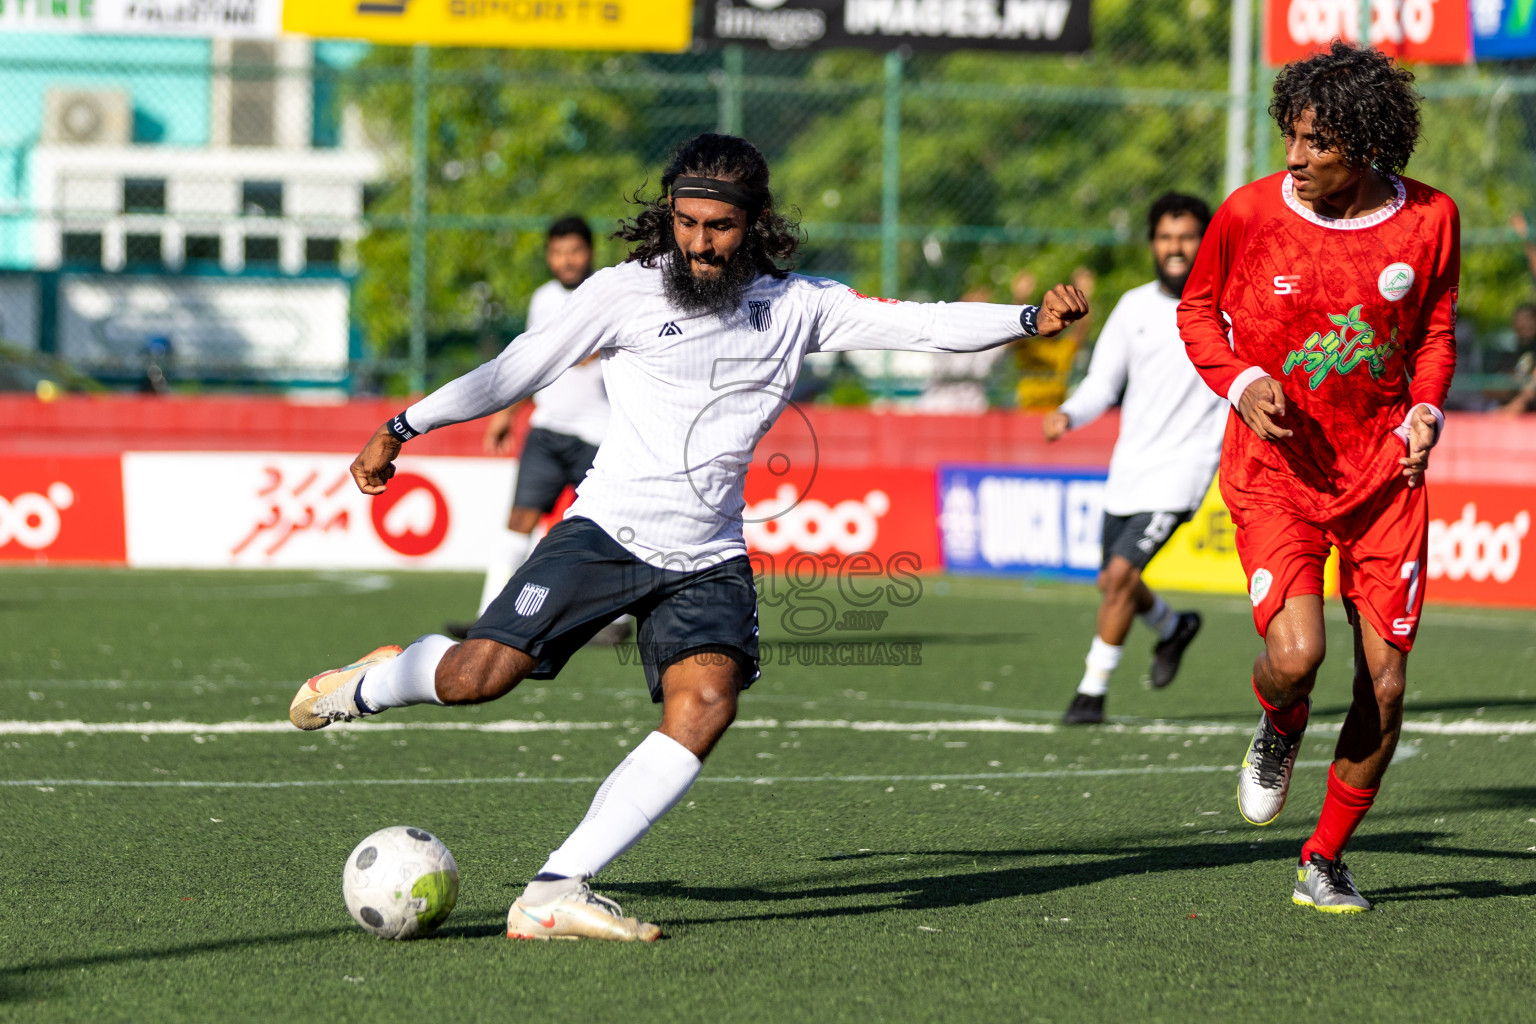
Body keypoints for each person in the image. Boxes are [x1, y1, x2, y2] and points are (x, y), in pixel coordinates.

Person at [289, 134, 1089, 942]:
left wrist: (1027, 318)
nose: (701, 244)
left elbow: (920, 327)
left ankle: (554, 888)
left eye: (721, 227)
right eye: (687, 222)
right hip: (606, 533)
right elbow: (514, 371)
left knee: (706, 704)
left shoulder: (798, 304)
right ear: (667, 215)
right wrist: (401, 425)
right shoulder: (622, 293)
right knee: (478, 677)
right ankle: (371, 683)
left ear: (756, 224)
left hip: (708, 557)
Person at [1178, 43, 1458, 913]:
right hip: (1277, 471)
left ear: (1367, 144)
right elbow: (1197, 313)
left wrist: (1426, 414)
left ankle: (1323, 860)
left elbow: (1435, 336)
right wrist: (1242, 380)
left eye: (1314, 144)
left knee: (1384, 684)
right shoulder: (1251, 212)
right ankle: (1281, 719)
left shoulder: (1431, 220)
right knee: (1296, 660)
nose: (1293, 159)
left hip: (1383, 475)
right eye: (1290, 136)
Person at [1045, 193, 1225, 725]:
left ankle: (1091, 692)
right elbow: (1102, 382)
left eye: (1187, 236)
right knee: (1112, 582)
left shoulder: (1230, 307)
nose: (1176, 247)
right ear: (1153, 243)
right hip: (1131, 468)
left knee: (1121, 574)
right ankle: (1173, 628)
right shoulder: (1133, 307)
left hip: (1185, 471)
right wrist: (1069, 414)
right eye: (1166, 237)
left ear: (1205, 242)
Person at [446, 216, 628, 645]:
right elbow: (532, 361)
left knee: (606, 528)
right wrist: (507, 412)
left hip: (601, 435)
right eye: (558, 252)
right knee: (518, 522)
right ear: (549, 255)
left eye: (575, 251)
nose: (567, 260)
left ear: (590, 252)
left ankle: (614, 622)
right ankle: (488, 617)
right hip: (547, 430)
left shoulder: (609, 294)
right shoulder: (543, 299)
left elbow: (596, 353)